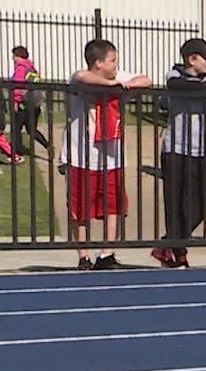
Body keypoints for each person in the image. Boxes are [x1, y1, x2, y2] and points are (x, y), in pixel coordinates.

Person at [59, 39, 150, 270]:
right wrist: (109, 86)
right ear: (98, 63)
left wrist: (121, 85)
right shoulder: (81, 79)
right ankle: (83, 255)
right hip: (82, 155)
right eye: (112, 60)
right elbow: (81, 76)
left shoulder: (117, 78)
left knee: (113, 205)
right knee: (80, 208)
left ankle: (106, 253)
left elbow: (145, 80)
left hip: (110, 155)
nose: (115, 64)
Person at [152, 37, 206, 268]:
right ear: (192, 59)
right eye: (205, 58)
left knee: (200, 204)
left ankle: (168, 243)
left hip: (201, 150)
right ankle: (179, 253)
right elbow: (180, 86)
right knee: (175, 202)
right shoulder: (174, 74)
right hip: (175, 148)